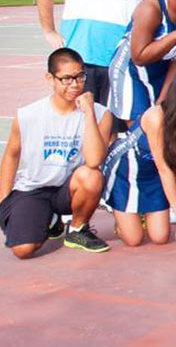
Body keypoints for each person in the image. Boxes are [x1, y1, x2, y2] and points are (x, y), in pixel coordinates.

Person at [0, 48, 111, 258]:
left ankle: (77, 230)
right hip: (35, 188)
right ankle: (51, 221)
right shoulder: (28, 115)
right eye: (66, 79)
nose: (75, 85)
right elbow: (11, 156)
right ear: (50, 78)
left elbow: (95, 160)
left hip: (68, 188)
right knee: (23, 250)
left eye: (80, 77)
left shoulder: (100, 114)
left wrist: (88, 113)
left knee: (91, 175)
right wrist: (3, 199)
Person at [102, 70, 176, 246]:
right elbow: (164, 168)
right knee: (133, 240)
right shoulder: (156, 117)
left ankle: (138, 213)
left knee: (160, 237)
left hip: (154, 174)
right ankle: (121, 214)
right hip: (127, 170)